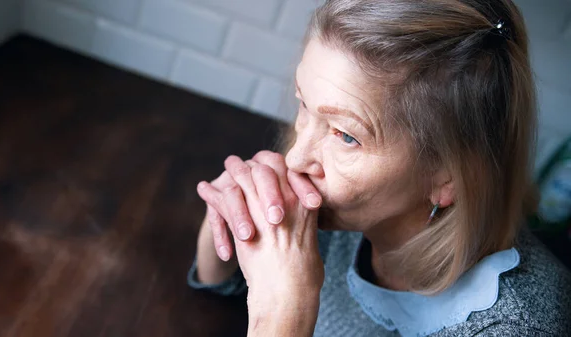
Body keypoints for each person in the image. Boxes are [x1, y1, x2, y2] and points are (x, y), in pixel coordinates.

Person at [188, 0, 571, 336]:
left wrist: (285, 318)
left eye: (346, 136)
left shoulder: (523, 326)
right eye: (304, 104)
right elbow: (226, 291)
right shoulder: (334, 213)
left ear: (449, 178)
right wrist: (225, 220)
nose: (296, 160)